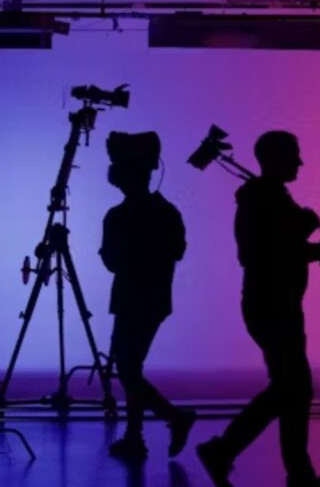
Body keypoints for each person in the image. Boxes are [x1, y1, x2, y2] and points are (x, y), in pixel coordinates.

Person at [197, 131, 320, 487]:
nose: (300, 162)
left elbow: (283, 250)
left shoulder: (270, 199)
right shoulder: (260, 201)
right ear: (276, 158)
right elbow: (261, 254)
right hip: (272, 306)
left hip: (277, 305)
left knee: (290, 388)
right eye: (294, 155)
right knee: (293, 388)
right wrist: (309, 238)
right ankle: (281, 468)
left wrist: (319, 249)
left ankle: (242, 456)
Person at [100, 131, 196, 463]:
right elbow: (177, 250)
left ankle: (170, 419)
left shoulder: (117, 216)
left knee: (127, 369)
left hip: (131, 299)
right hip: (154, 299)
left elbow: (112, 262)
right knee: (131, 368)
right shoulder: (167, 212)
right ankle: (136, 436)